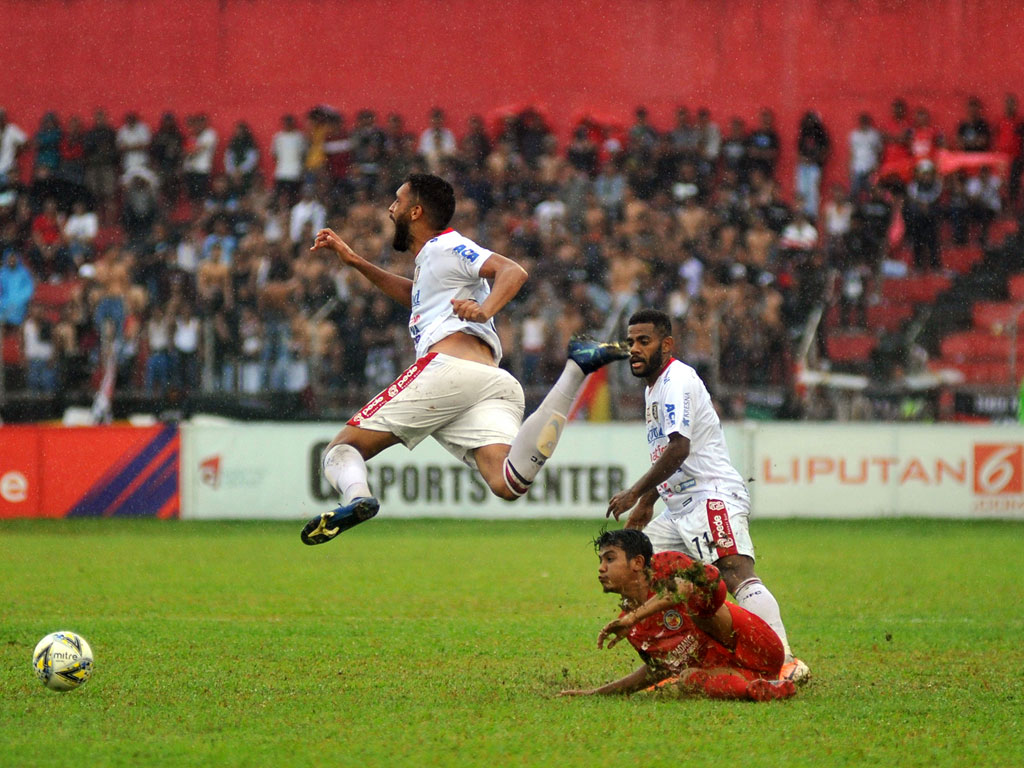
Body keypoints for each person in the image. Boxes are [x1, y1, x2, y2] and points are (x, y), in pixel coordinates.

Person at [299, 172, 628, 545]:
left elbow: (512, 271)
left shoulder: (446, 247)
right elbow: (417, 298)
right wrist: (355, 261)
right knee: (507, 482)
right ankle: (575, 369)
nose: (391, 209)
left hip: (447, 371)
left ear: (416, 211)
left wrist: (485, 310)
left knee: (341, 450)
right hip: (494, 382)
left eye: (397, 201)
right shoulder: (432, 262)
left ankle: (357, 497)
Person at [606, 308, 809, 683]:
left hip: (710, 495)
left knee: (735, 572)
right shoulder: (654, 388)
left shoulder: (677, 380)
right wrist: (649, 502)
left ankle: (785, 661)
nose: (634, 349)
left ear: (666, 345)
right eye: (631, 341)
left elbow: (679, 448)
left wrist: (635, 492)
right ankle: (680, 659)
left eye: (644, 341)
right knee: (642, 573)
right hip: (679, 506)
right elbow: (665, 453)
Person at [558, 529, 796, 701]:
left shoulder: (665, 564)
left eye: (609, 559)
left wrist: (633, 617)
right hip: (737, 672)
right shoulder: (631, 625)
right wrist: (595, 694)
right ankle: (761, 689)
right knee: (687, 678)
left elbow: (682, 589)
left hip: (758, 646)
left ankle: (765, 679)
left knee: (697, 605)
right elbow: (657, 669)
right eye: (601, 561)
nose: (601, 568)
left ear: (638, 563)